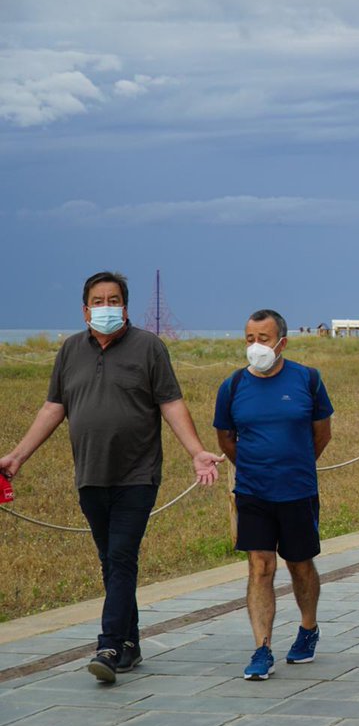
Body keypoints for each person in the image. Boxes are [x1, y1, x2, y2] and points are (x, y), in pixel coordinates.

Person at [0, 271, 223, 683]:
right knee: (111, 562)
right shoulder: (70, 351)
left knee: (121, 557)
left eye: (114, 299)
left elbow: (171, 403)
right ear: (85, 310)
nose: (107, 307)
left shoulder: (148, 347)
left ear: (126, 306)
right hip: (90, 475)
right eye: (99, 301)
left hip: (137, 475)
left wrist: (196, 453)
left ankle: (108, 644)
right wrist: (17, 456)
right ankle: (131, 643)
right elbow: (54, 407)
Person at [214, 309, 334, 680]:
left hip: (297, 491)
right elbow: (226, 439)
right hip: (253, 492)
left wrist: (294, 463)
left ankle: (308, 628)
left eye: (263, 339)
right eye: (249, 339)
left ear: (282, 342)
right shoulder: (232, 387)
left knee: (299, 564)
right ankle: (262, 647)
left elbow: (322, 434)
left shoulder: (307, 380)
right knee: (260, 565)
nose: (256, 347)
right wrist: (256, 466)